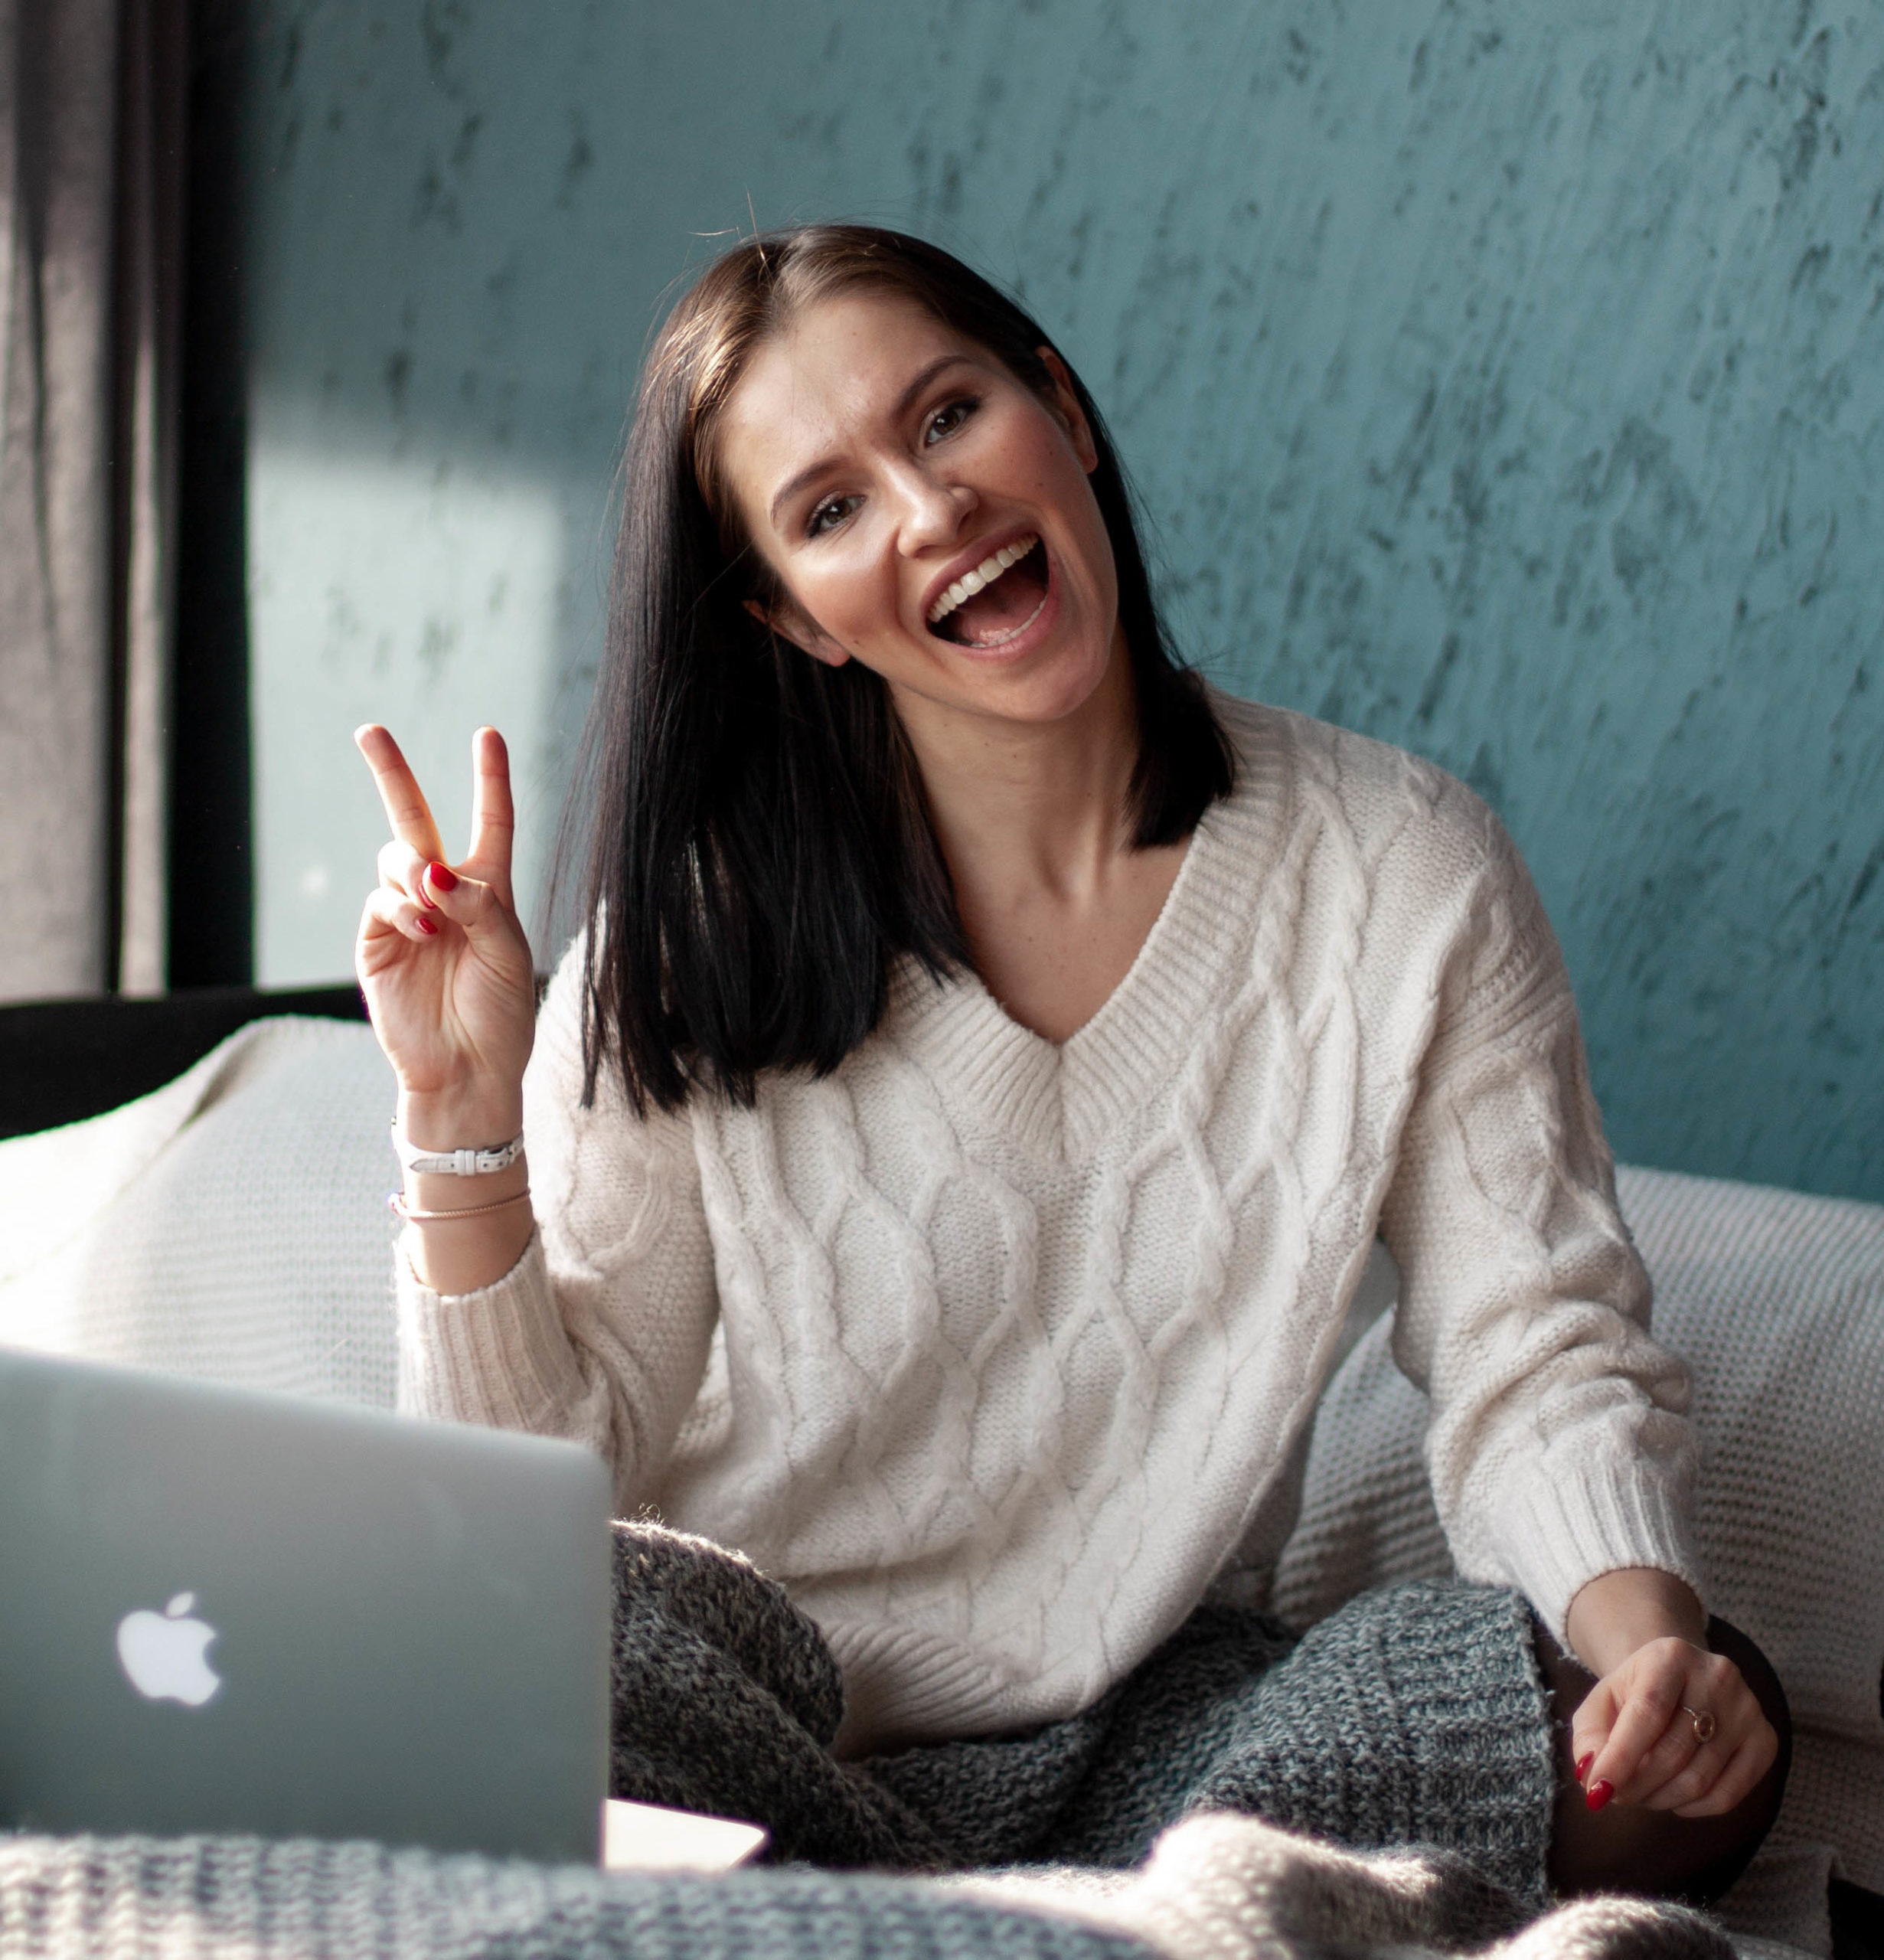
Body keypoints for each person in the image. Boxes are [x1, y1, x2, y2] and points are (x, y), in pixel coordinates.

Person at [353, 225, 1784, 1903]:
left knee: (1694, 1749)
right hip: (756, 1704)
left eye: (948, 416)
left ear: (1059, 406)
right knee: (487, 1658)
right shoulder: (694, 941)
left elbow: (1532, 1344)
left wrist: (1643, 1643)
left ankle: (897, 1925)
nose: (929, 506)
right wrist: (460, 1120)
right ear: (790, 618)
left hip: (1159, 1732)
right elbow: (534, 1502)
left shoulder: (1406, 870)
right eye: (830, 509)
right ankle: (948, 1916)